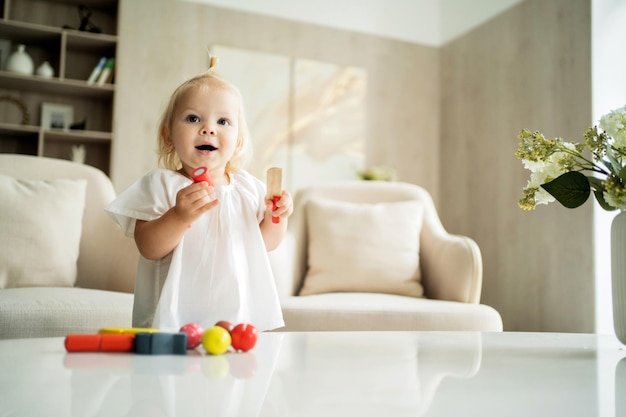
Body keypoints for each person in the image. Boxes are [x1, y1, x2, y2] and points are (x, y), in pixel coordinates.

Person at [106, 62, 292, 332]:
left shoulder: (249, 188)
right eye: (193, 118)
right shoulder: (162, 184)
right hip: (174, 319)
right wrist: (178, 217)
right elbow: (149, 247)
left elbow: (265, 244)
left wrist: (277, 215)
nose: (208, 129)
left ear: (238, 142)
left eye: (223, 121)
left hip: (236, 319)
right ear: (167, 136)